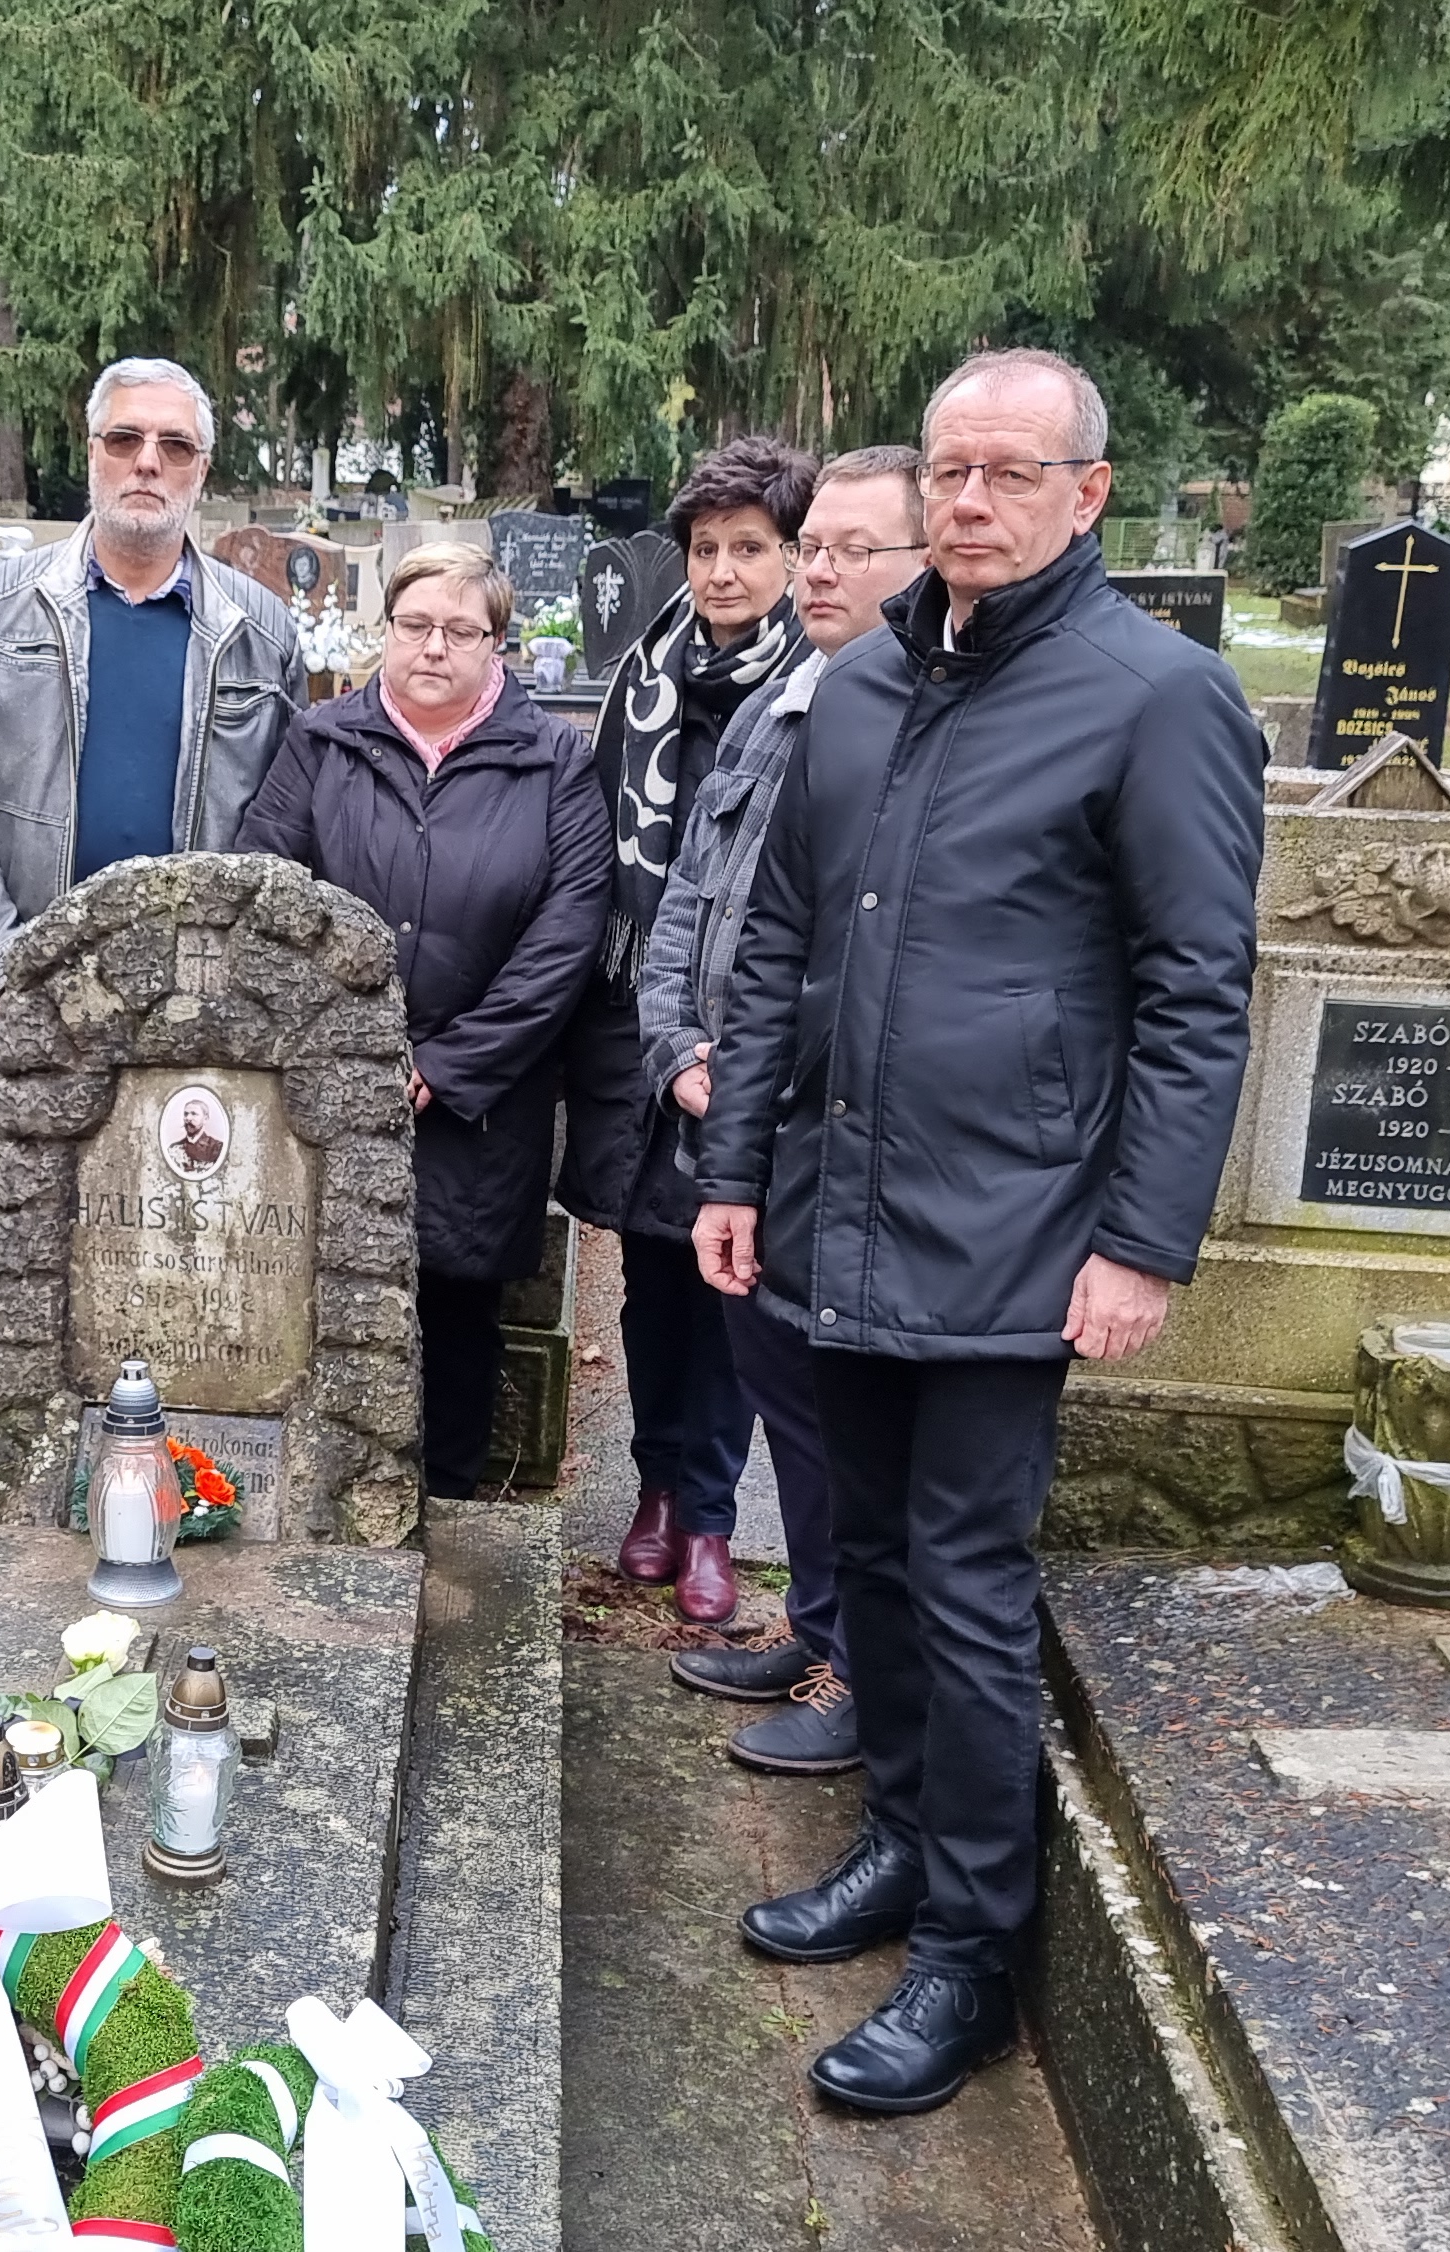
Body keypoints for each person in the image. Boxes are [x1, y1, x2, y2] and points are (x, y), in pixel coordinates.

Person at [692, 348, 1261, 2113]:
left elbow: (1196, 991)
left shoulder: (1156, 697)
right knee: (864, 1555)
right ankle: (900, 1844)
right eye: (950, 469)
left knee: (967, 1579)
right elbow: (780, 946)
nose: (971, 500)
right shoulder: (863, 682)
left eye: (1013, 472)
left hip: (1016, 1226)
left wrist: (1145, 1243)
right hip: (838, 1204)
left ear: (1088, 493)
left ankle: (968, 1955)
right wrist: (735, 1175)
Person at [638, 444, 930, 1774]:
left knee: (836, 1414)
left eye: (850, 551)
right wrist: (675, 1050)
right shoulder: (782, 701)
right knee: (778, 1388)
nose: (816, 572)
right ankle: (819, 1629)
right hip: (731, 1115)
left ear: (923, 564)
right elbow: (690, 902)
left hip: (826, 1129)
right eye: (811, 547)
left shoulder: (914, 718)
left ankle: (863, 1671)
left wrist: (755, 1080)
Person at [233, 542, 606, 1494]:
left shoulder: (556, 761)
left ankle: (444, 1500)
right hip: (331, 1090)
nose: (435, 646)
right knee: (317, 1291)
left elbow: (565, 937)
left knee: (456, 1310)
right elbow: (263, 896)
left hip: (478, 1103)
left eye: (461, 631)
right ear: (388, 630)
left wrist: (443, 1066)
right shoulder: (321, 742)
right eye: (416, 625)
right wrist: (345, 1056)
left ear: (496, 645)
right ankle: (314, 1495)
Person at [564, 436, 819, 1625]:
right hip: (635, 1019)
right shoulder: (646, 678)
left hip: (751, 1027)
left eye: (748, 548)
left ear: (792, 557)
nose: (722, 572)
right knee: (651, 1273)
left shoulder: (816, 685)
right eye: (706, 549)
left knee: (730, 1277)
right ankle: (655, 1485)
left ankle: (712, 1512)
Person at [0, 356, 303, 1052]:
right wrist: (4, 975)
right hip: (36, 999)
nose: (147, 462)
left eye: (174, 445)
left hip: (203, 1013)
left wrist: (239, 986)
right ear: (93, 452)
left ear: (201, 470)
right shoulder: (1, 608)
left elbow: (291, 826)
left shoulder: (262, 632)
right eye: (125, 439)